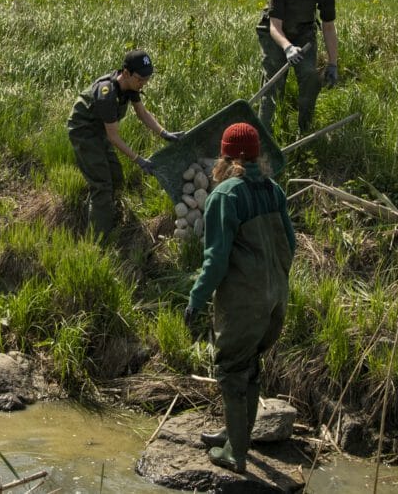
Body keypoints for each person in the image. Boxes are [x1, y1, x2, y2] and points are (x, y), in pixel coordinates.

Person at [183, 123, 295, 473]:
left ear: (226, 156)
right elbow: (290, 245)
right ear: (257, 155)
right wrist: (274, 282)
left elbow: (216, 260)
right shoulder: (273, 189)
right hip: (276, 298)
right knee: (250, 367)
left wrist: (196, 298)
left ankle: (236, 454)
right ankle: (236, 435)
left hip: (245, 302)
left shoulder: (225, 195)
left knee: (231, 370)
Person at [66, 49, 182, 238]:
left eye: (147, 79)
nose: (144, 83)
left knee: (116, 177)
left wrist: (164, 133)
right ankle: (99, 238)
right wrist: (139, 160)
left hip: (100, 130)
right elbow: (113, 137)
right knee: (102, 184)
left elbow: (142, 113)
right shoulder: (107, 94)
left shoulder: (131, 86)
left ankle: (101, 212)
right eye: (141, 79)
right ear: (126, 73)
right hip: (84, 132)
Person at [255, 0, 339, 133]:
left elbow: (328, 27)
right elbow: (275, 26)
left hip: (303, 33)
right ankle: (263, 137)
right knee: (273, 83)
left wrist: (333, 64)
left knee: (310, 76)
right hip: (274, 34)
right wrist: (287, 47)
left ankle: (304, 131)